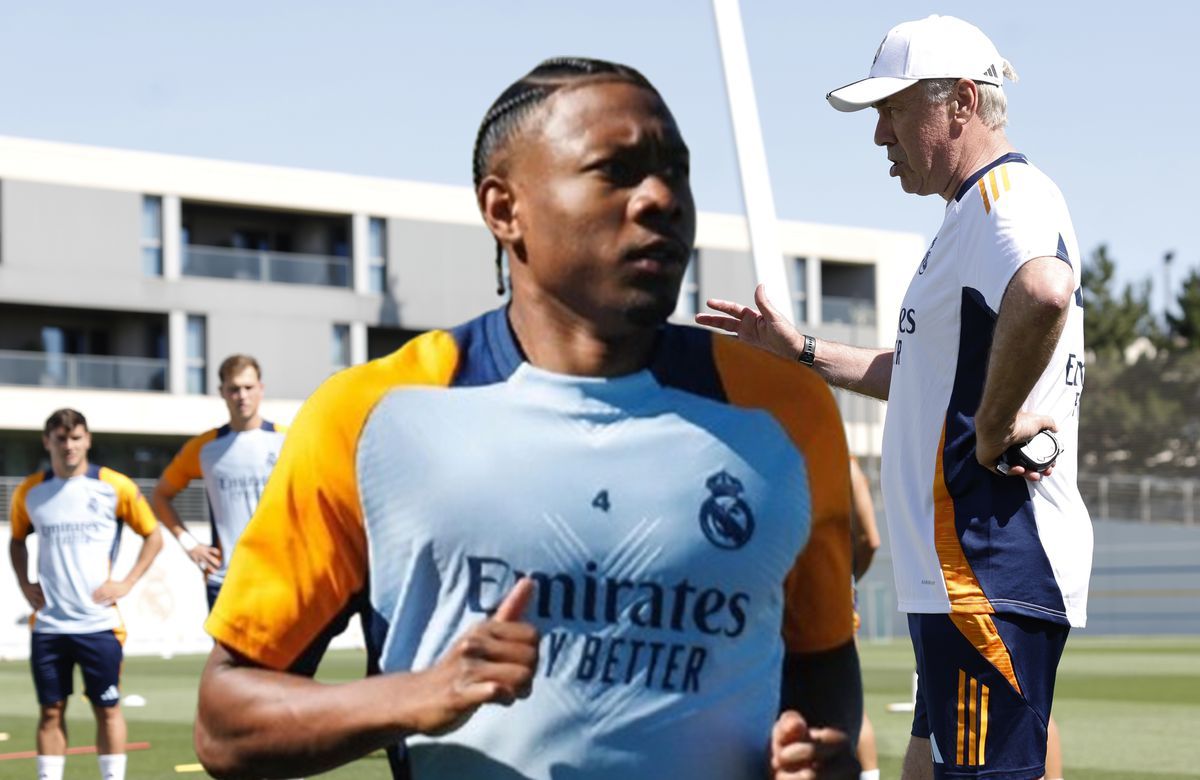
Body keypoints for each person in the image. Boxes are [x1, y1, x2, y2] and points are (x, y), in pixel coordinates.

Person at [194, 57, 862, 780]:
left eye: (676, 171)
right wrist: (418, 696)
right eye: (618, 170)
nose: (662, 197)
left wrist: (815, 753)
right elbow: (226, 723)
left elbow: (823, 666)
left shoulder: (785, 411)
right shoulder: (374, 415)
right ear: (504, 209)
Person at [699, 15, 1091, 780]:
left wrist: (995, 427)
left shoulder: (1005, 199)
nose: (880, 134)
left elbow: (1045, 291)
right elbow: (916, 374)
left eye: (894, 108)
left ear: (963, 104)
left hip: (984, 563)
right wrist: (801, 350)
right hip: (963, 570)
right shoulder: (969, 215)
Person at [8, 408, 163, 780]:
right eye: (60, 439)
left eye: (76, 438)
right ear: (47, 442)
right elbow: (17, 541)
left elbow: (153, 536)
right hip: (49, 626)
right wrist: (24, 582)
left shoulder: (115, 486)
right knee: (50, 711)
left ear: (88, 440)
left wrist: (126, 583)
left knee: (107, 709)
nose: (69, 446)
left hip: (99, 623)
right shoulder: (30, 491)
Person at [151, 354, 286, 611]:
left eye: (248, 387)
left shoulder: (288, 441)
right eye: (234, 389)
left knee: (287, 653)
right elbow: (160, 495)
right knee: (224, 654)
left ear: (261, 389)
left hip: (279, 576)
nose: (242, 396)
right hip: (225, 579)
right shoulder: (204, 448)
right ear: (222, 392)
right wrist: (190, 544)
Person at [848, 458, 881, 780]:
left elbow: (870, 540)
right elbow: (869, 539)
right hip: (833, 587)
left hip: (778, 582)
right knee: (848, 698)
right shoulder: (844, 463)